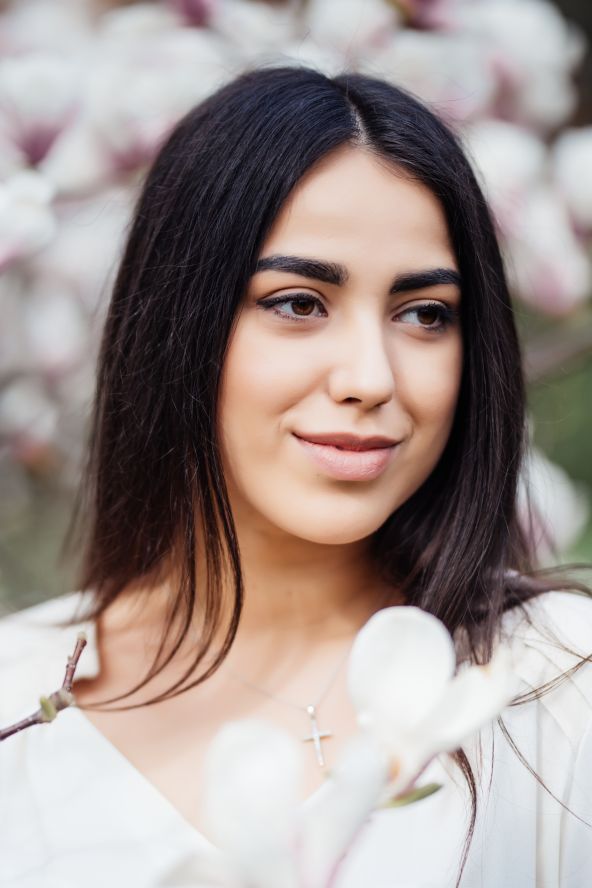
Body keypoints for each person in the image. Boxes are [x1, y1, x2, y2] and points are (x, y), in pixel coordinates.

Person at [1, 64, 591, 888]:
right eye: (298, 302)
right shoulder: (18, 695)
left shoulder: (554, 685)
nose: (370, 377)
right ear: (180, 318)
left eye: (425, 315)